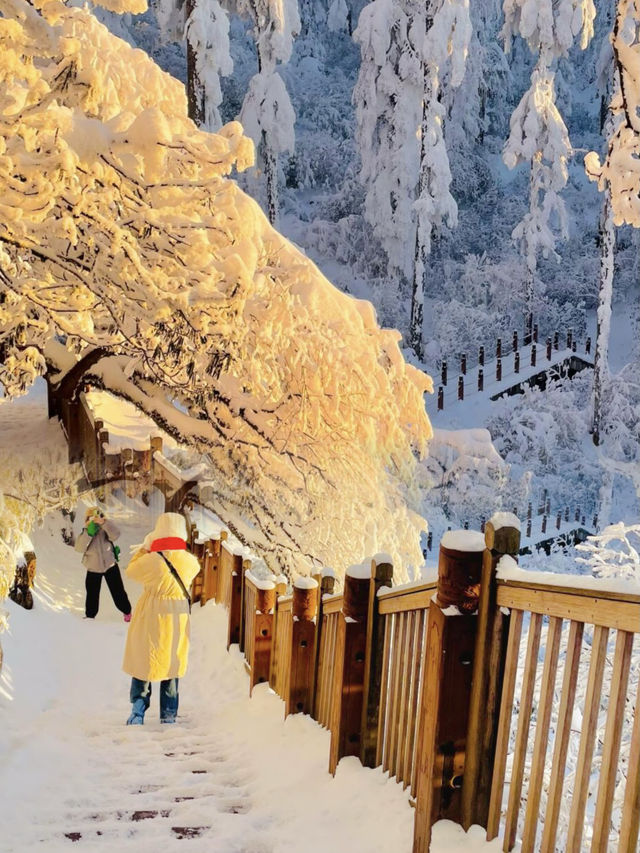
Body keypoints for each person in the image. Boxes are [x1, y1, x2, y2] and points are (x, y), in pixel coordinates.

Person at [122, 512, 200, 725]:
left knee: (144, 660)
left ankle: (138, 710)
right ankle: (168, 714)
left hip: (152, 613)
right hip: (176, 615)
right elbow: (195, 569)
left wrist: (145, 548)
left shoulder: (152, 561)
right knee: (171, 662)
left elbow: (131, 571)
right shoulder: (190, 563)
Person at [75, 507, 132, 621]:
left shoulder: (106, 528)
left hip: (110, 565)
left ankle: (127, 612)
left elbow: (116, 534)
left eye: (97, 516)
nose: (94, 520)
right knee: (92, 595)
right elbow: (79, 548)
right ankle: (90, 617)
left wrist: (104, 523)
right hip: (93, 568)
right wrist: (88, 533)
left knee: (118, 592)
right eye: (91, 518)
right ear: (86, 519)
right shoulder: (86, 531)